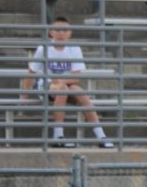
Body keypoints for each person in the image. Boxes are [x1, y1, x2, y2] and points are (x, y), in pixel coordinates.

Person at [21, 16, 113, 149]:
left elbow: (77, 77)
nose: (61, 33)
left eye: (65, 30)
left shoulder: (74, 49)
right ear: (50, 32)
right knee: (62, 89)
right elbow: (31, 72)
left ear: (70, 33)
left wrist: (61, 80)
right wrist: (24, 95)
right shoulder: (44, 48)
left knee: (81, 93)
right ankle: (58, 136)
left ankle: (101, 136)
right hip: (47, 85)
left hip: (65, 84)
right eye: (57, 30)